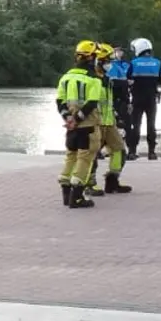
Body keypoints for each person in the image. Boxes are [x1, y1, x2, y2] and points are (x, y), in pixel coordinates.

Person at [56, 42, 105, 209]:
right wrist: (77, 119)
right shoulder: (94, 79)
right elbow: (91, 103)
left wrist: (68, 119)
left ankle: (66, 192)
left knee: (71, 155)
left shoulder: (66, 77)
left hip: (71, 127)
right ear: (91, 58)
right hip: (88, 126)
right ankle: (76, 197)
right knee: (85, 158)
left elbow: (60, 101)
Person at [92, 44, 132, 194]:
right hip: (95, 123)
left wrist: (117, 117)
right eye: (106, 61)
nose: (109, 64)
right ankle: (89, 184)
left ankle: (112, 181)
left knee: (120, 151)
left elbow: (110, 101)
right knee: (92, 154)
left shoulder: (107, 79)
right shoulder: (92, 79)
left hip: (109, 122)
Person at [128, 38, 161, 160]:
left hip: (137, 98)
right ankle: (152, 152)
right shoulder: (158, 63)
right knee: (151, 125)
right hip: (151, 98)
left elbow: (128, 79)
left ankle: (132, 151)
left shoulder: (134, 63)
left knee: (135, 124)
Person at [105, 47, 133, 138]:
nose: (119, 53)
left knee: (126, 123)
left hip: (125, 95)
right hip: (115, 97)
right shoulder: (111, 65)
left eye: (121, 51)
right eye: (117, 51)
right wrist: (125, 82)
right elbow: (114, 82)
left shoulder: (125, 65)